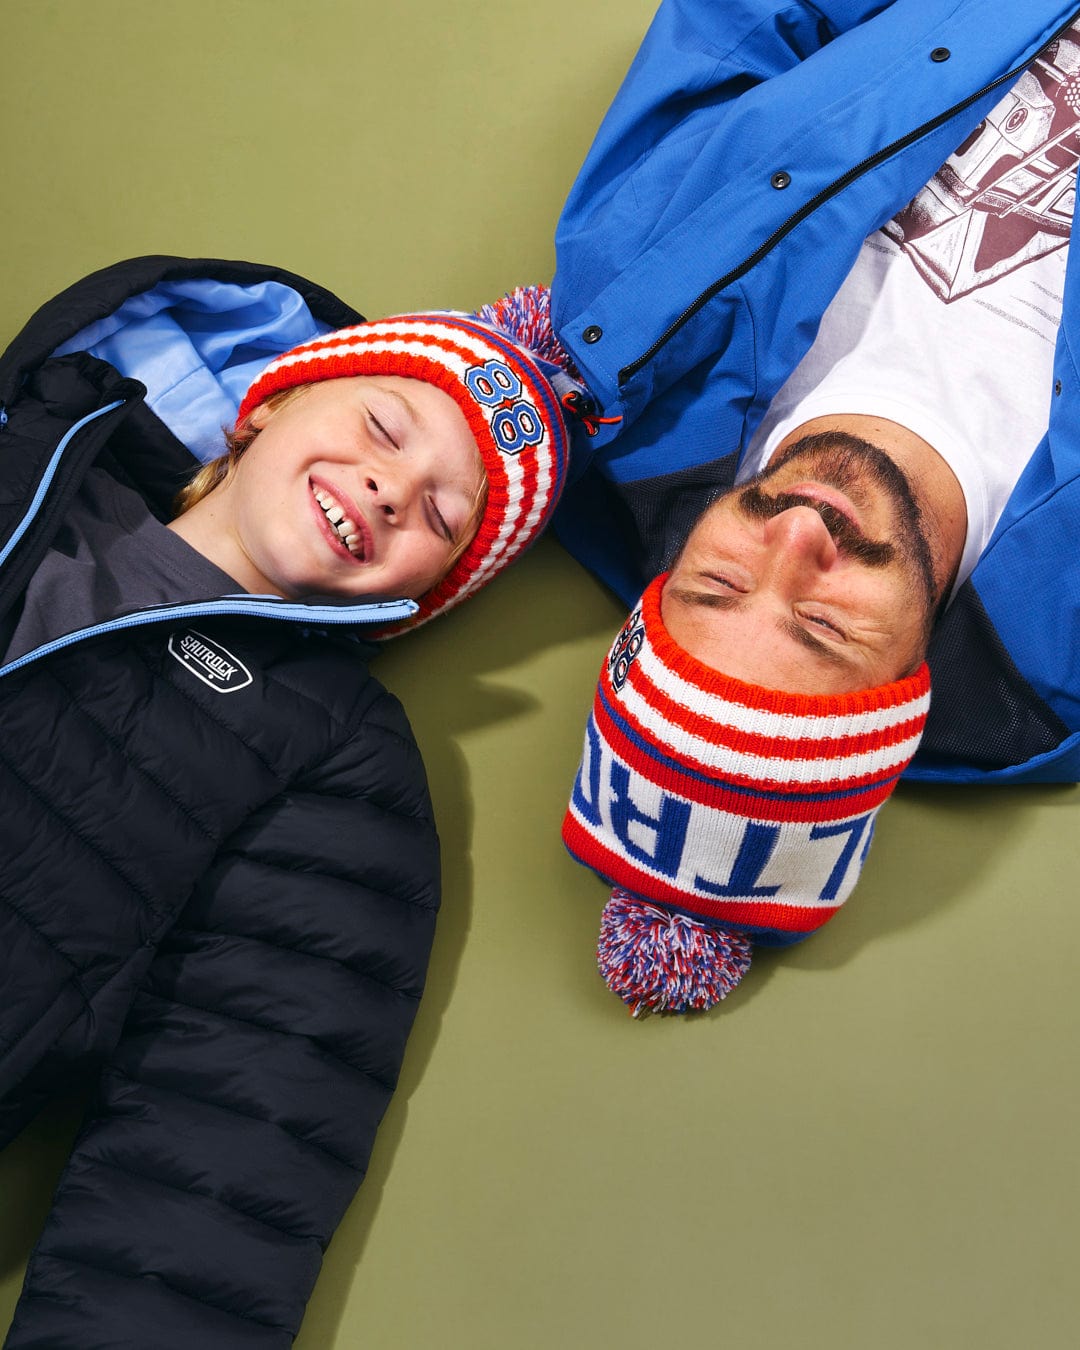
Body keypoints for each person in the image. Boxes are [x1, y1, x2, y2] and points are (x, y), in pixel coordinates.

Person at [0, 256, 582, 1347]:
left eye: (443, 516)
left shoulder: (339, 771)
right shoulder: (23, 453)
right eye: (385, 425)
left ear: (417, 596)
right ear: (268, 403)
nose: (391, 489)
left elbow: (213, 1174)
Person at [547, 0, 1080, 1012]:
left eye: (718, 581)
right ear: (907, 685)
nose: (793, 534)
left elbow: (735, 21)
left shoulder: (636, 321)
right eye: (822, 624)